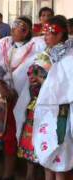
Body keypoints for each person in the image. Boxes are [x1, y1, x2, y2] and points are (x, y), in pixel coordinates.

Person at [0, 16, 46, 180]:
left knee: (29, 135)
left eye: (19, 28)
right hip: (7, 99)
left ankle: (31, 173)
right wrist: (0, 84)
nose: (14, 30)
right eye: (13, 27)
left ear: (27, 31)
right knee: (8, 136)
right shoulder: (5, 44)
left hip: (29, 98)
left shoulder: (36, 46)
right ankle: (8, 173)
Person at [32, 15, 73, 180]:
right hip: (45, 108)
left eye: (49, 33)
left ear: (60, 34)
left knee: (60, 153)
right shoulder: (46, 53)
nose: (45, 36)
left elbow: (66, 84)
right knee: (46, 151)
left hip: (61, 110)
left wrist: (44, 80)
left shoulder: (70, 56)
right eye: (45, 33)